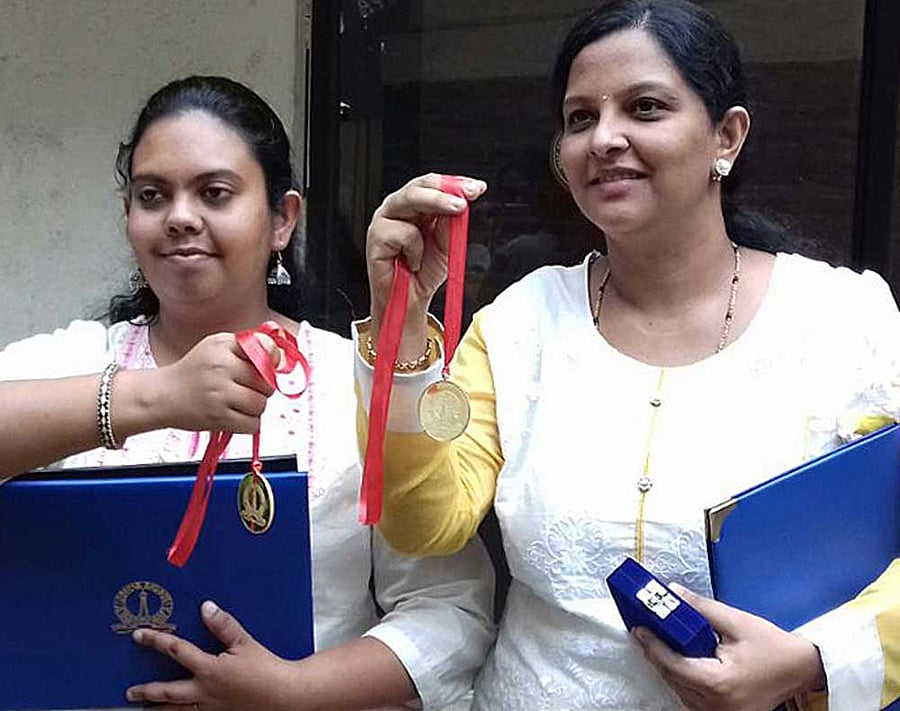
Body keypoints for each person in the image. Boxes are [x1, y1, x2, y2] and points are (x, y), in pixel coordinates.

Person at [355, 1, 900, 710]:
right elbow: (425, 522)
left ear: (726, 137)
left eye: (644, 108)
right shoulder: (523, 322)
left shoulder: (844, 320)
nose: (604, 138)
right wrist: (403, 319)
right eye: (580, 118)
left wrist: (812, 660)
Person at [0, 75, 495, 711]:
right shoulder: (78, 360)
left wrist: (292, 691)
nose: (180, 217)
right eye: (153, 196)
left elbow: (448, 608)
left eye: (214, 193)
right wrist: (152, 398)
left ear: (283, 219)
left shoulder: (359, 379)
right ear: (129, 216)